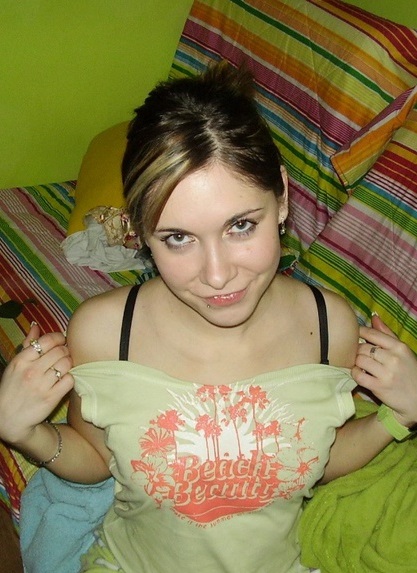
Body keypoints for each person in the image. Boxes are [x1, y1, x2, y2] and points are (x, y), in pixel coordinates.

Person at [0, 62, 416, 573]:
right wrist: (24, 432)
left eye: (241, 226)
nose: (217, 275)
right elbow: (98, 458)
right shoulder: (106, 333)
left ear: (282, 198)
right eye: (178, 238)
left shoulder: (330, 326)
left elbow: (318, 456)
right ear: (141, 232)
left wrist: (399, 415)